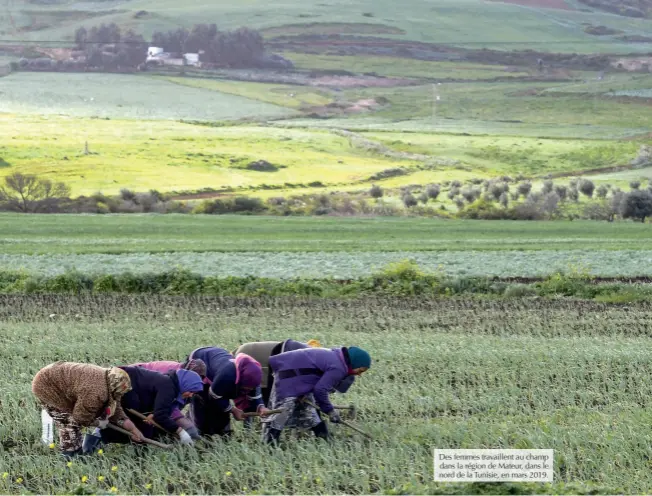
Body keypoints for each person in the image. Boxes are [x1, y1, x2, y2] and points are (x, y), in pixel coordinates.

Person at [31, 361, 144, 458]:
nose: (121, 395)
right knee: (69, 421)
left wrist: (134, 430)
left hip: (59, 379)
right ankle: (69, 457)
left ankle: (77, 452)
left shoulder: (110, 381)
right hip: (47, 385)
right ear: (115, 387)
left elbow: (117, 411)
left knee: (76, 417)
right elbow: (80, 418)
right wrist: (99, 423)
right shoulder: (96, 392)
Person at [262, 346, 371, 444]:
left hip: (298, 375)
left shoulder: (338, 357)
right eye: (360, 370)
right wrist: (330, 411)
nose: (359, 374)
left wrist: (304, 392)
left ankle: (325, 438)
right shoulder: (339, 368)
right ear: (355, 363)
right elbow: (320, 390)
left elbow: (313, 374)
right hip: (289, 375)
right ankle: (269, 442)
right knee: (284, 411)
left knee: (309, 410)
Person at [98, 367, 204, 447]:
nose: (190, 395)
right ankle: (100, 436)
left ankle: (103, 436)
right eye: (191, 391)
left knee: (144, 430)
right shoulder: (168, 386)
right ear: (185, 384)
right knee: (137, 426)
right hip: (123, 385)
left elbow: (161, 408)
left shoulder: (170, 383)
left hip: (129, 387)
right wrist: (181, 431)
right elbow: (161, 415)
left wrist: (153, 413)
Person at [185, 347, 271, 436]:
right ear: (240, 380)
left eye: (251, 388)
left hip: (217, 362)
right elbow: (214, 396)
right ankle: (199, 433)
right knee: (203, 403)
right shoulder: (227, 375)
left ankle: (223, 434)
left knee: (223, 409)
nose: (249, 390)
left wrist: (261, 408)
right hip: (201, 359)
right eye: (247, 387)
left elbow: (254, 398)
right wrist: (233, 410)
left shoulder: (253, 377)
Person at [128, 359, 207, 439]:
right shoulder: (169, 380)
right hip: (131, 382)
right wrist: (183, 429)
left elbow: (171, 404)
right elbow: (165, 405)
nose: (191, 395)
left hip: (147, 394)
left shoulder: (186, 383)